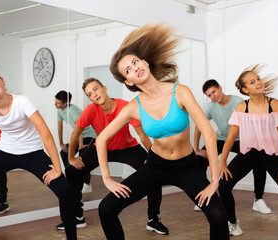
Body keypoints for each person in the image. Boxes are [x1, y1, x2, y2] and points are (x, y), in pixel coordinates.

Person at [96, 23, 229, 240]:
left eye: (135, 61)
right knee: (106, 208)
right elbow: (101, 140)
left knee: (218, 215)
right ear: (128, 81)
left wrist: (214, 181)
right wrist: (107, 179)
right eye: (128, 70)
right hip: (156, 165)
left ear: (145, 62)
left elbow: (210, 134)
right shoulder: (133, 107)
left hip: (187, 166)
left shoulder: (180, 92)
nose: (134, 67)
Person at [0, 68, 76, 240]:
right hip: (5, 152)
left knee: (64, 190)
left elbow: (46, 135)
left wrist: (58, 168)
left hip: (33, 153)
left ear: (2, 81)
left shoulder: (22, 102)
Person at [56, 78, 169, 235]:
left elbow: (142, 134)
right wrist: (71, 159)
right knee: (72, 171)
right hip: (100, 147)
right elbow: (76, 133)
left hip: (127, 147)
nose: (94, 95)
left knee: (153, 171)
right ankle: (77, 215)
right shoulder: (90, 110)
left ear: (105, 88)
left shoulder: (125, 106)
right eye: (89, 94)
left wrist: (152, 155)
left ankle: (153, 219)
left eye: (95, 89)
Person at [218, 64, 278, 239]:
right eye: (252, 82)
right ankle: (232, 224)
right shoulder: (241, 108)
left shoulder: (275, 105)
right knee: (223, 186)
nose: (259, 83)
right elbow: (231, 138)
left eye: (258, 79)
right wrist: (222, 161)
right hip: (248, 155)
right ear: (245, 90)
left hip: (272, 156)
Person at [193, 79, 271, 214]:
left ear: (220, 87)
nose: (213, 96)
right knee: (199, 160)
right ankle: (206, 196)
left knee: (259, 162)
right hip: (222, 139)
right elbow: (199, 125)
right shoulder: (211, 106)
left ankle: (258, 200)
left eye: (214, 92)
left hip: (241, 139)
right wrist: (197, 149)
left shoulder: (237, 102)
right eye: (209, 95)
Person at [55, 90, 97, 193]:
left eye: (58, 103)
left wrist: (81, 145)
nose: (55, 104)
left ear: (66, 103)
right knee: (65, 152)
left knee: (83, 156)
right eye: (55, 101)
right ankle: (72, 178)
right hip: (79, 135)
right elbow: (60, 127)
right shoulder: (59, 110)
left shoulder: (73, 111)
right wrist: (61, 143)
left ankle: (87, 184)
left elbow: (80, 127)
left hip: (90, 135)